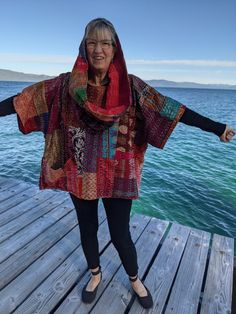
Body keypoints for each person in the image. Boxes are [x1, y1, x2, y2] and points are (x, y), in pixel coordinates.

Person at [0, 18, 235, 309]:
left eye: (105, 43)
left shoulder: (131, 88)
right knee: (87, 228)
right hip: (80, 171)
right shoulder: (65, 86)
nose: (98, 49)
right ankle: (95, 274)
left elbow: (173, 109)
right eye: (92, 42)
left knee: (120, 233)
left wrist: (217, 127)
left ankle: (134, 278)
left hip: (119, 173)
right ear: (84, 47)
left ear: (115, 49)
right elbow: (23, 101)